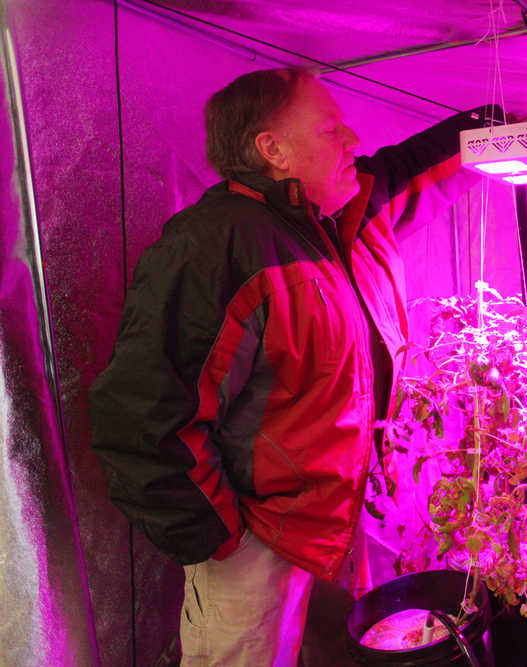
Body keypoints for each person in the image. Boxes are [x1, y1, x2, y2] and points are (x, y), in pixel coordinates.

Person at [88, 67, 504, 665]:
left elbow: (408, 168)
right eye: (332, 128)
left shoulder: (341, 221)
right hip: (255, 540)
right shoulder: (218, 245)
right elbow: (143, 411)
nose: (353, 139)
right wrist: (216, 536)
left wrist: (502, 128)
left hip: (333, 520)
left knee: (336, 651)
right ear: (272, 149)